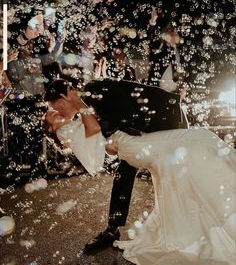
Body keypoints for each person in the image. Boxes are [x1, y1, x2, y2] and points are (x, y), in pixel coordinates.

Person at [44, 101, 235, 265]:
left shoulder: (71, 126)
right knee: (197, 140)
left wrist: (111, 139)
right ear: (51, 128)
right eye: (51, 115)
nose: (56, 112)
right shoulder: (64, 132)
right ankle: (207, 212)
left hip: (129, 143)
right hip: (132, 145)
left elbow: (101, 140)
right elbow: (94, 129)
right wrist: (78, 101)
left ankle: (189, 225)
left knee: (185, 157)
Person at [44, 78, 188, 252]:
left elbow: (126, 116)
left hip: (167, 118)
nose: (59, 112)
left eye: (57, 106)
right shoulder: (87, 104)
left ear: (64, 98)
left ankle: (181, 224)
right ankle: (113, 229)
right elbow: (116, 125)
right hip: (154, 124)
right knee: (124, 173)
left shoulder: (93, 90)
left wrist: (113, 136)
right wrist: (113, 140)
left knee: (169, 176)